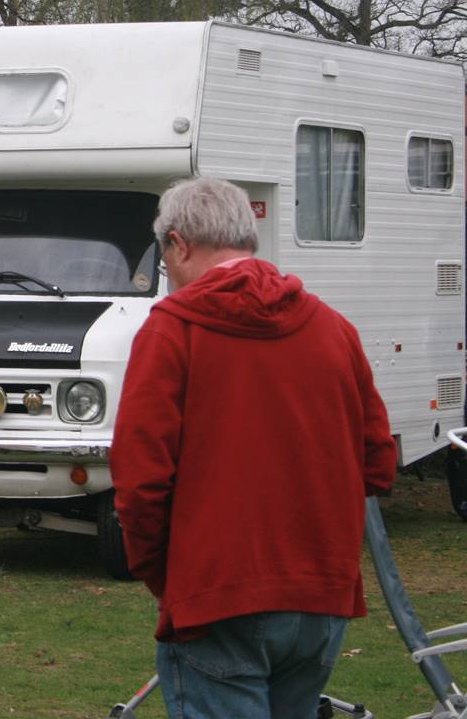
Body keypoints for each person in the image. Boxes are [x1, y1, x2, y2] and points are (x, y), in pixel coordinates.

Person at [110, 177, 396, 719]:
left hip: (216, 592)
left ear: (180, 243)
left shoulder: (172, 331)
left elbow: (141, 479)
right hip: (319, 593)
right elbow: (378, 463)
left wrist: (162, 576)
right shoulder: (334, 329)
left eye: (164, 256)